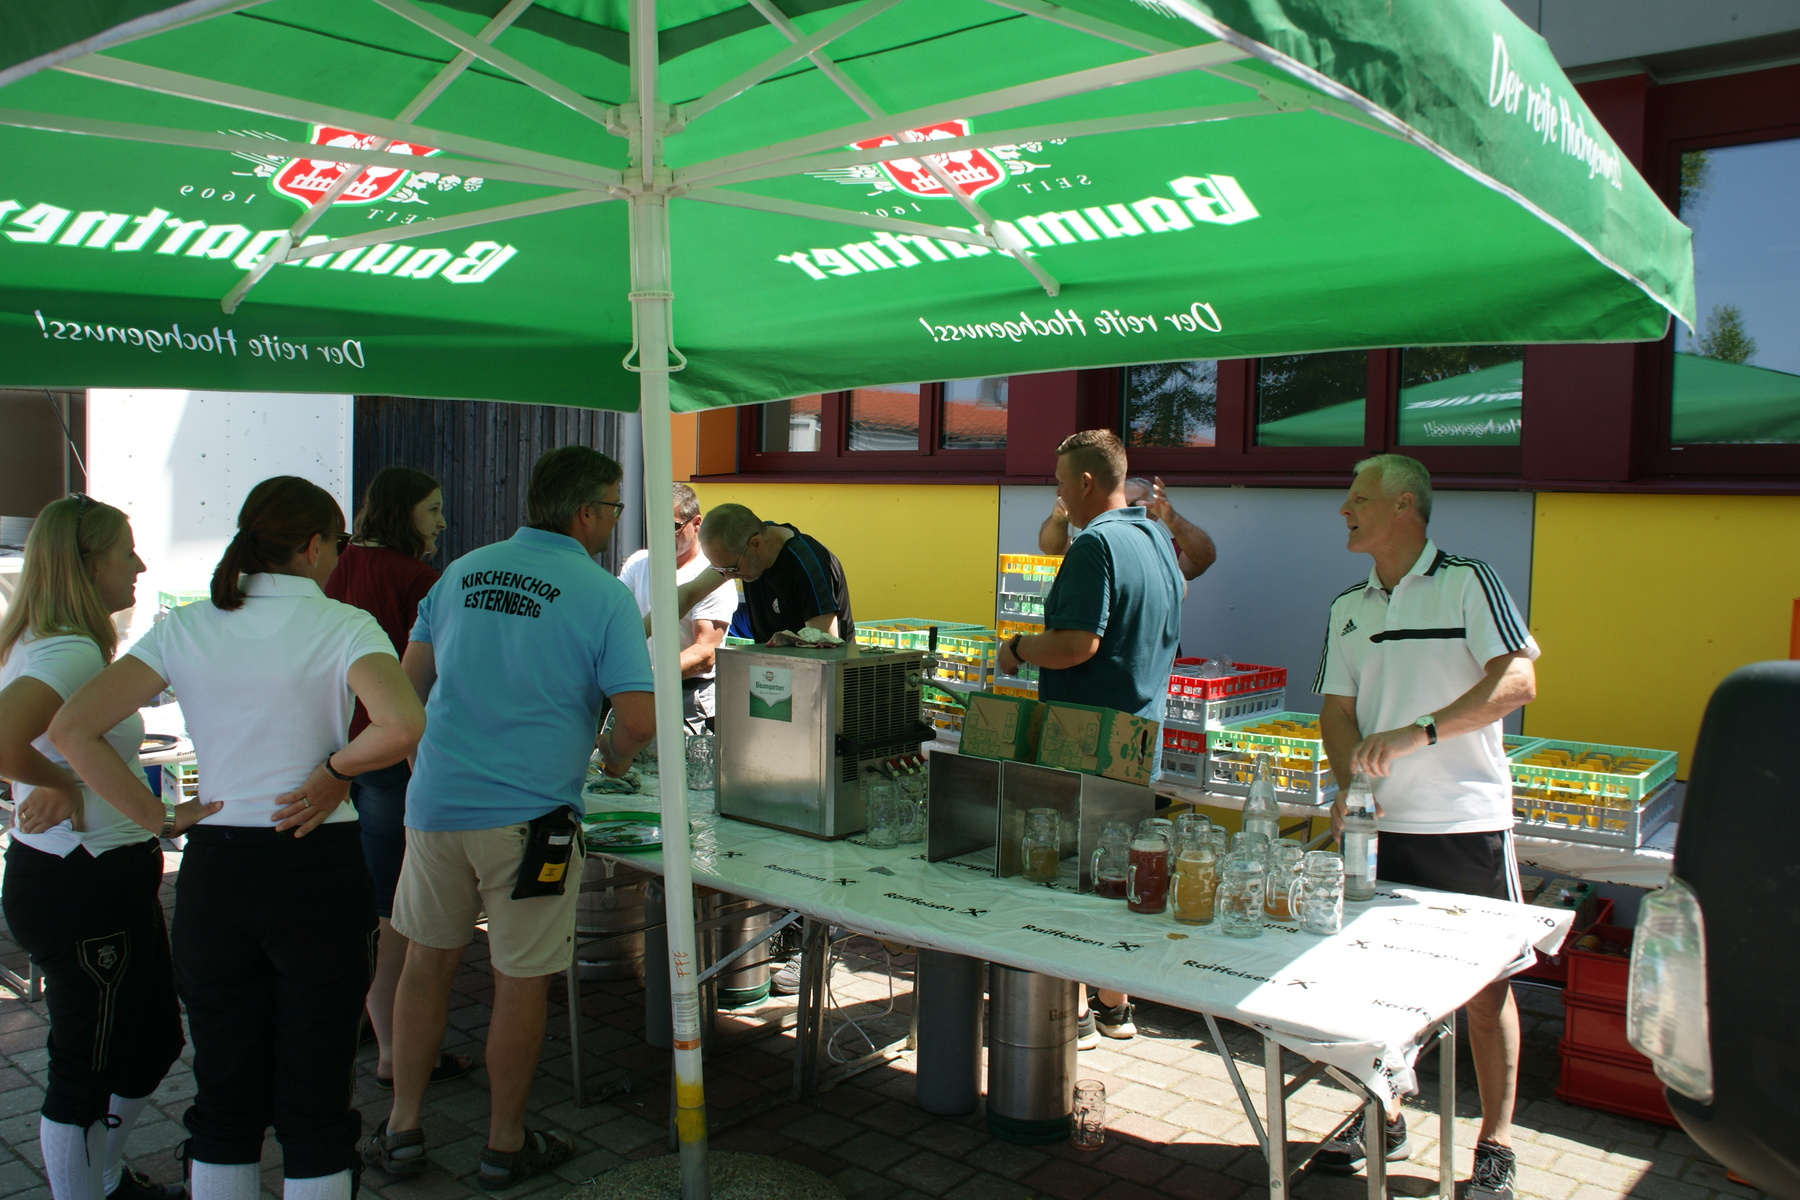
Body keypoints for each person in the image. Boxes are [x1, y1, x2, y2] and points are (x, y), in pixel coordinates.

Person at [52, 477, 426, 1200]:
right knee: (316, 1095)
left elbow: (73, 728)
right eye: (339, 544)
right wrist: (335, 771)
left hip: (218, 869)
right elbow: (404, 724)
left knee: (224, 1092)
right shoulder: (344, 624)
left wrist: (157, 818)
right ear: (314, 546)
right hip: (315, 865)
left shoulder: (188, 626)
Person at [371, 446, 655, 1191]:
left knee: (426, 962)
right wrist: (614, 756)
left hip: (437, 808)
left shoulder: (460, 572)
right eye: (615, 508)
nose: (615, 522)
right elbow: (639, 719)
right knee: (520, 980)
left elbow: (405, 693)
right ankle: (504, 1143)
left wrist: (424, 769)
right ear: (586, 513)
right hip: (536, 822)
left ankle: (402, 1126)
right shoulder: (603, 596)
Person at [1313, 453, 1538, 1200]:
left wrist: (1420, 732)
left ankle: (1497, 1145)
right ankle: (1385, 1115)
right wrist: (1350, 785)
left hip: (1466, 824)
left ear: (1404, 505)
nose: (1344, 508)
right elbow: (1337, 711)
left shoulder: (1469, 581)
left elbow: (1518, 680)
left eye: (1359, 497)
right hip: (1380, 830)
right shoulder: (1347, 606)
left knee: (1486, 993)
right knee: (1375, 984)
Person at [0, 496, 215, 1200]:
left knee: (151, 1044)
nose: (140, 565)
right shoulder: (68, 649)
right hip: (80, 882)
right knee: (85, 1069)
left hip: (98, 877)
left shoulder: (45, 640)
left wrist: (59, 779)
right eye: (127, 551)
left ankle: (107, 1179)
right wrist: (57, 781)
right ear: (88, 563)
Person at [999, 431, 1184, 1042]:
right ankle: (1114, 1001)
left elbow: (1077, 644)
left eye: (1059, 484)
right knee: (1115, 870)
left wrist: (1017, 648)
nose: (1057, 495)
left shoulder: (1095, 545)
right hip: (1139, 734)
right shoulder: (1155, 538)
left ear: (1084, 482)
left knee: (1073, 873)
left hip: (1084, 736)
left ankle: (1071, 1008)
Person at [323, 467, 471, 1092]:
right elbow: (443, 680)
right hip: (396, 757)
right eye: (432, 509)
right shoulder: (419, 580)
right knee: (397, 914)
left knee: (362, 899)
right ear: (403, 512)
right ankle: (395, 1052)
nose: (442, 521)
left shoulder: (337, 564)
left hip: (340, 752)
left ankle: (367, 1020)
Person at [617, 483, 735, 733]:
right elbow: (615, 620)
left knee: (686, 759)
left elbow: (706, 654)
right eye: (655, 524)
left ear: (696, 523)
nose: (661, 534)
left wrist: (647, 676)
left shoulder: (713, 572)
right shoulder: (639, 563)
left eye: (672, 526)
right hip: (642, 689)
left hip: (689, 695)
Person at [697, 503, 852, 642]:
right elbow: (690, 592)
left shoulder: (807, 565)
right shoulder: (749, 543)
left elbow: (825, 645)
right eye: (721, 570)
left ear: (755, 544)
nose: (729, 577)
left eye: (733, 568)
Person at [1038, 476, 1216, 581]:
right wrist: (1058, 518)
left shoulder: (1163, 549)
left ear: (1154, 512)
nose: (1121, 512)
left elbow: (1203, 558)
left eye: (1131, 505)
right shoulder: (1098, 544)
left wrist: (1173, 519)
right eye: (1115, 505)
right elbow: (1052, 548)